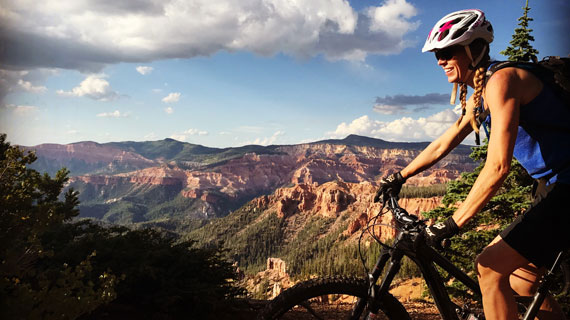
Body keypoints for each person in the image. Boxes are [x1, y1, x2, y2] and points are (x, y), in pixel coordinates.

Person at [374, 9, 570, 320]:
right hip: (552, 186)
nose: (440, 60)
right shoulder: (482, 91)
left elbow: (497, 167)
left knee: (488, 268)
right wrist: (399, 176)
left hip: (566, 187)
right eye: (437, 54)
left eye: (447, 51)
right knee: (524, 280)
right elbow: (446, 140)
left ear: (472, 49)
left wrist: (452, 223)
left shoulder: (501, 82)